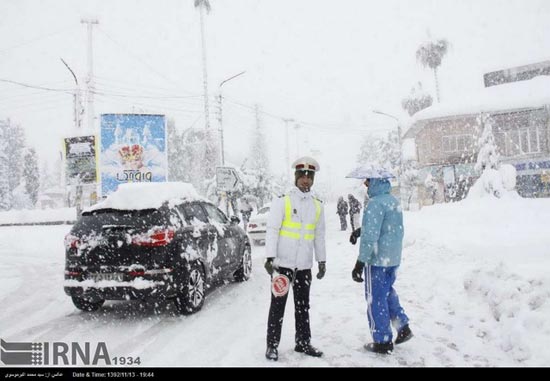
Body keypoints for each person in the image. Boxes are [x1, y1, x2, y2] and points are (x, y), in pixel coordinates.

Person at [264, 156, 326, 361]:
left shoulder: (317, 205)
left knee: (303, 306)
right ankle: (272, 346)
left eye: (309, 176)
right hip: (283, 265)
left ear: (313, 179)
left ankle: (303, 342)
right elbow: (272, 230)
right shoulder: (283, 200)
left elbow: (319, 235)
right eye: (302, 176)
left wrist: (322, 260)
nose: (306, 180)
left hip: (304, 265)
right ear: (296, 177)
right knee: (277, 306)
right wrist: (270, 257)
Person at [351, 176, 413, 354]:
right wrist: (359, 231)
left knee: (375, 298)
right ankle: (403, 326)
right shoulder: (393, 200)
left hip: (377, 260)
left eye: (367, 181)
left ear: (375, 182)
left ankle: (383, 340)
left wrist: (360, 263)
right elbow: (386, 227)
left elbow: (371, 236)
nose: (365, 184)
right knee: (386, 292)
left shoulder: (375, 204)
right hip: (392, 258)